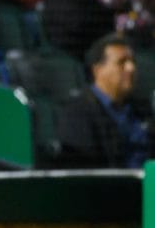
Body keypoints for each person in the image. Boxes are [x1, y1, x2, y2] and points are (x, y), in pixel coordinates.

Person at [55, 32, 151, 168]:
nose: (131, 68)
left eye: (132, 62)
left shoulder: (143, 110)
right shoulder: (78, 112)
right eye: (121, 62)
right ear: (98, 70)